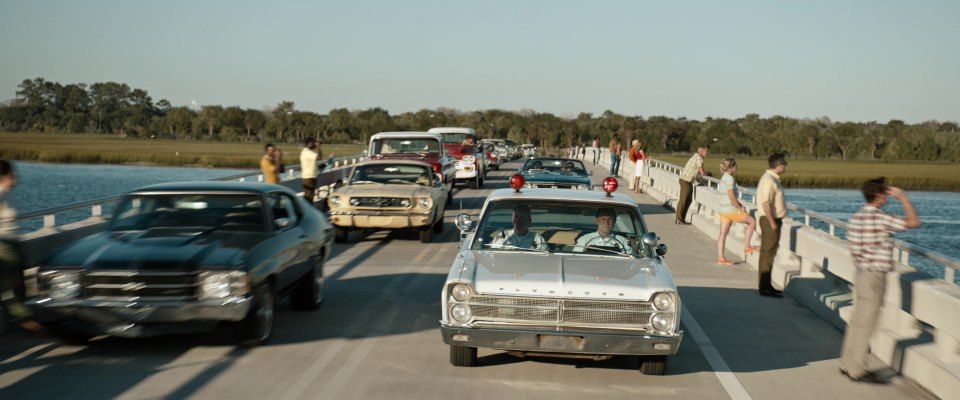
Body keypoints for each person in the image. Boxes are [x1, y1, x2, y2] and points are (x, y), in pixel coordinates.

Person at [839, 178, 920, 384]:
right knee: (867, 323)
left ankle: (847, 363)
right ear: (879, 196)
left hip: (861, 273)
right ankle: (857, 369)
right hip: (875, 276)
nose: (887, 196)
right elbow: (913, 222)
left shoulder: (857, 216)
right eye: (885, 192)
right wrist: (903, 198)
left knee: (857, 321)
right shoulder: (881, 218)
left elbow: (851, 246)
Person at [0, 160, 37, 332]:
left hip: (13, 241)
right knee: (13, 283)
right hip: (3, 243)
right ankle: (25, 319)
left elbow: (14, 183)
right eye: (11, 172)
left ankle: (24, 318)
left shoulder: (6, 191)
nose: (15, 176)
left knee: (18, 283)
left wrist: (10, 180)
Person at [755, 153, 788, 297]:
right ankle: (764, 287)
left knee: (769, 253)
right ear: (779, 165)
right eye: (784, 164)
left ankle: (767, 284)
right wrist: (772, 222)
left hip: (772, 219)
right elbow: (766, 203)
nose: (786, 166)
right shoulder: (769, 180)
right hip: (770, 220)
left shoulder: (772, 179)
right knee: (767, 253)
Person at [715, 158, 759, 265]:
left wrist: (738, 204)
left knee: (723, 233)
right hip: (730, 210)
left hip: (723, 209)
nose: (737, 167)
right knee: (752, 221)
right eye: (735, 165)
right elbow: (731, 196)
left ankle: (721, 258)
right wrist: (739, 207)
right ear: (731, 167)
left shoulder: (724, 177)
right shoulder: (730, 179)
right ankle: (747, 246)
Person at [676, 145, 709, 224]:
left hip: (687, 180)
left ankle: (681, 219)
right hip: (686, 181)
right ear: (702, 151)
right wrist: (707, 174)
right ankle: (679, 219)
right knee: (683, 200)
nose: (708, 153)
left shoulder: (696, 156)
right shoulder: (699, 158)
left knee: (688, 200)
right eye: (706, 151)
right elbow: (701, 171)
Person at [300, 138, 320, 203]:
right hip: (309, 177)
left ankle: (307, 211)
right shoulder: (307, 152)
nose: (314, 145)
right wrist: (318, 147)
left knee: (309, 196)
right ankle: (307, 211)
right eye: (313, 143)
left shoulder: (306, 152)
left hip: (309, 177)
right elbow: (319, 157)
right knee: (309, 197)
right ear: (309, 144)